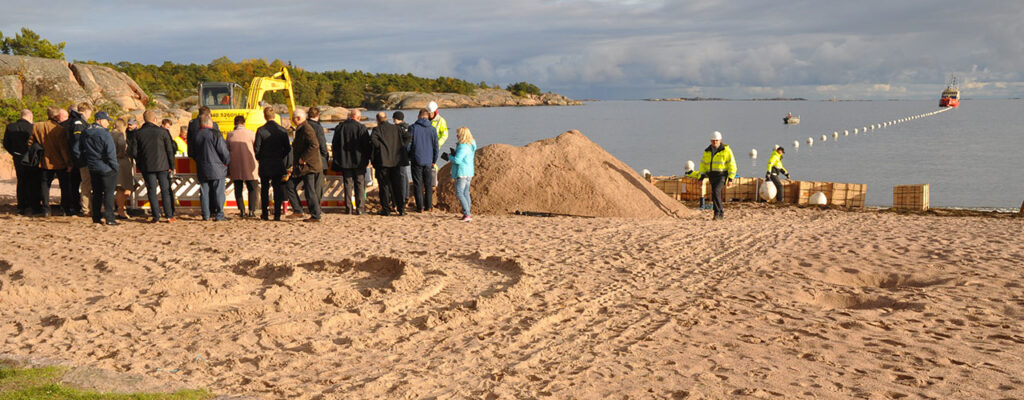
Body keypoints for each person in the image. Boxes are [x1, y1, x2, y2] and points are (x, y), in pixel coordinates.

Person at [131, 110, 176, 223]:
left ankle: (156, 216)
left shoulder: (138, 133)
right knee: (165, 190)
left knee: (151, 191)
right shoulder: (163, 132)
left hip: (147, 166)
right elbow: (169, 150)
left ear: (144, 119)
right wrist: (172, 165)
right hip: (163, 165)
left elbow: (134, 152)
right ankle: (169, 216)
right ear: (155, 119)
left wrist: (141, 164)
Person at [76, 112, 119, 225]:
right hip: (106, 167)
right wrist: (114, 167)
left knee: (97, 192)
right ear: (100, 120)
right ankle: (109, 218)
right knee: (109, 193)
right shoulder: (105, 134)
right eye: (106, 120)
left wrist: (86, 161)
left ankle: (96, 217)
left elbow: (78, 148)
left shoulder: (85, 132)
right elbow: (111, 152)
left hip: (93, 166)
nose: (108, 123)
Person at [27, 106, 72, 217]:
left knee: (45, 186)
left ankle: (46, 209)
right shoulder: (60, 129)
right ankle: (65, 208)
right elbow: (63, 148)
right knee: (64, 186)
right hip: (59, 162)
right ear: (57, 116)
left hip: (44, 161)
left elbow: (29, 143)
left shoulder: (37, 126)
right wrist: (68, 163)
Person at [370, 112, 411, 216]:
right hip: (396, 161)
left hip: (383, 161)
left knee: (384, 186)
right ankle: (401, 209)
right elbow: (408, 136)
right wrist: (401, 147)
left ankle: (386, 209)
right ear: (386, 118)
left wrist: (381, 148)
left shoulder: (377, 130)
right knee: (397, 185)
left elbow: (373, 141)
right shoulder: (396, 128)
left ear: (378, 120)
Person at [254, 107, 291, 221]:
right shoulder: (282, 130)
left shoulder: (261, 130)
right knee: (277, 189)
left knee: (264, 189)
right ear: (274, 116)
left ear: (265, 116)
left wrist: (260, 157)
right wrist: (281, 155)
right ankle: (277, 215)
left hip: (265, 162)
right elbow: (288, 148)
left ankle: (265, 214)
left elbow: (256, 148)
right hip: (277, 162)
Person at [331, 109, 371, 215]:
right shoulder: (361, 128)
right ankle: (360, 208)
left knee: (347, 184)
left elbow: (335, 144)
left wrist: (337, 157)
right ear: (358, 117)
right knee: (359, 184)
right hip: (359, 161)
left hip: (344, 160)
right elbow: (366, 145)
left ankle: (348, 208)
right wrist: (367, 158)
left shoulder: (340, 127)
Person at [690, 131, 736, 220]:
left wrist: (731, 178)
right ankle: (717, 213)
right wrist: (701, 177)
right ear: (711, 140)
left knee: (716, 192)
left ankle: (719, 213)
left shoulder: (726, 151)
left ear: (720, 140)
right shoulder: (707, 151)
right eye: (713, 140)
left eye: (716, 140)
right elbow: (703, 165)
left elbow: (732, 164)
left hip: (722, 175)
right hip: (712, 176)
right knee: (714, 194)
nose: (715, 142)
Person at [191, 114, 231, 221]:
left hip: (202, 167)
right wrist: (227, 163)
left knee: (204, 192)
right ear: (210, 122)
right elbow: (223, 151)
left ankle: (206, 215)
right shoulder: (215, 134)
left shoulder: (196, 135)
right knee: (218, 192)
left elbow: (193, 152)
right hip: (217, 168)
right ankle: (219, 214)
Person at [2, 109, 40, 215]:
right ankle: (34, 205)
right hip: (31, 157)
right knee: (33, 181)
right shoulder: (32, 127)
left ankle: (21, 206)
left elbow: (6, 143)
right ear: (30, 117)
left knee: (21, 181)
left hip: (17, 157)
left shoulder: (10, 127)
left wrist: (14, 153)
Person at [291, 108, 323, 222]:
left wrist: (303, 158)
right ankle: (299, 210)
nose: (292, 120)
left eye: (293, 118)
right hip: (305, 166)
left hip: (309, 166)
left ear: (298, 118)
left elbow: (314, 145)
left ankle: (316, 214)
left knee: (310, 190)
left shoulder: (306, 128)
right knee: (291, 185)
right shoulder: (302, 128)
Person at [227, 115, 259, 218]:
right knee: (252, 188)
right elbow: (256, 148)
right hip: (249, 164)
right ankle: (251, 211)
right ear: (244, 123)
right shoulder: (251, 134)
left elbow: (227, 149)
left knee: (238, 188)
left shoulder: (230, 135)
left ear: (234, 124)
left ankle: (241, 210)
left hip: (235, 164)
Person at [408, 108, 438, 212]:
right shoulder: (432, 129)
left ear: (419, 116)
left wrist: (409, 156)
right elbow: (436, 147)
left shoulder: (413, 128)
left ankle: (420, 207)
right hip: (429, 160)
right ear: (428, 116)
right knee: (428, 184)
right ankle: (429, 206)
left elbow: (408, 145)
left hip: (416, 159)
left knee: (418, 184)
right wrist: (434, 159)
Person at [66, 103, 93, 216]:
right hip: (83, 159)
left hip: (82, 158)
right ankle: (86, 209)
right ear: (86, 111)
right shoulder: (78, 123)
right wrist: (80, 159)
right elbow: (77, 143)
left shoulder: (80, 122)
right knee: (86, 185)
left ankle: (87, 207)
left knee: (86, 184)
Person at [447, 126, 476, 221]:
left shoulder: (463, 146)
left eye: (458, 134)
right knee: (465, 192)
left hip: (462, 172)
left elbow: (457, 160)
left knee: (459, 193)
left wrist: (450, 157)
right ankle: (467, 213)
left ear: (462, 135)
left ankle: (467, 214)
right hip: (469, 171)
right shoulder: (471, 144)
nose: (456, 136)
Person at [110, 119, 134, 219]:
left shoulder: (109, 134)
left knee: (114, 188)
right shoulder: (120, 136)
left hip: (111, 163)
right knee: (122, 188)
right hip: (122, 163)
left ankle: (117, 207)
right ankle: (121, 209)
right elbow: (122, 150)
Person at [307, 107, 329, 197]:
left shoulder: (304, 125)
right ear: (318, 115)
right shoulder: (318, 127)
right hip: (318, 159)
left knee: (309, 185)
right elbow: (322, 144)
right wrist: (325, 156)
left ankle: (311, 205)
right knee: (318, 186)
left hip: (306, 159)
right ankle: (316, 207)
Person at [426, 101, 448, 188]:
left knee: (432, 163)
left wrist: (438, 144)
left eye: (430, 113)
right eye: (428, 112)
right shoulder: (426, 119)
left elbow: (445, 134)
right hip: (426, 145)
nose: (429, 114)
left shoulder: (441, 121)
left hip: (435, 146)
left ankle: (434, 181)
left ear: (435, 112)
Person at [393, 111, 411, 207]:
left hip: (399, 155)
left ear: (395, 119)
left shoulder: (399, 128)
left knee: (402, 175)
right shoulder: (407, 127)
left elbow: (406, 138)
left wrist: (401, 146)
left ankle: (403, 197)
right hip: (406, 155)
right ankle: (406, 195)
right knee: (405, 175)